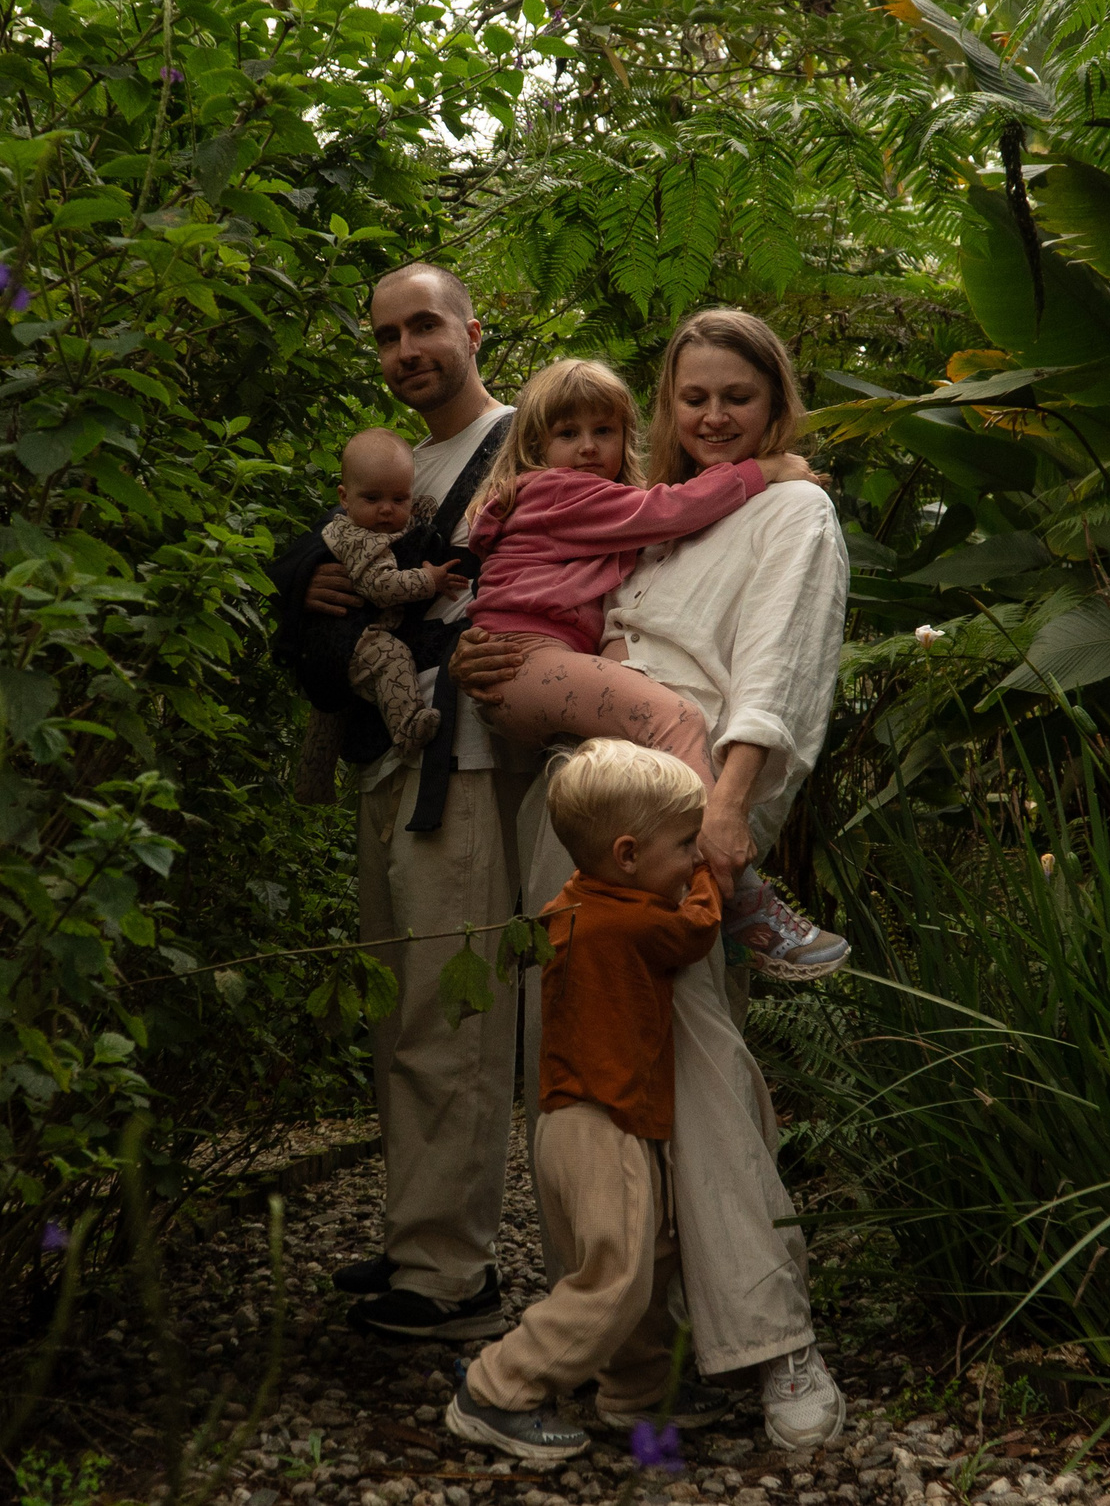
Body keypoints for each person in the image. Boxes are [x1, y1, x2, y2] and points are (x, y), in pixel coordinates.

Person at [450, 307, 851, 1449]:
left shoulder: (789, 504)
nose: (714, 416)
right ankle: (626, 1361)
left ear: (776, 405)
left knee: (703, 1068)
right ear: (665, 408)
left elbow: (777, 668)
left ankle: (774, 1343)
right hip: (576, 805)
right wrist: (486, 654)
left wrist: (726, 814)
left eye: (738, 396)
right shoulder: (646, 522)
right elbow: (558, 626)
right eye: (693, 397)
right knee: (582, 1087)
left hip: (687, 814)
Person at [304, 262, 530, 1341]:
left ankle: (450, 1276)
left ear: (473, 330)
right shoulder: (387, 471)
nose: (407, 351)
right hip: (389, 759)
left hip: (472, 758)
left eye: (425, 326)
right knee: (402, 1011)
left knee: (452, 1013)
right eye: (389, 336)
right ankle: (416, 1243)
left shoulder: (526, 440)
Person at [463, 357, 846, 981]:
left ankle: (707, 892)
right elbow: (665, 512)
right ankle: (730, 884)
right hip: (531, 666)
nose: (588, 448)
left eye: (604, 432)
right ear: (536, 447)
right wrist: (762, 471)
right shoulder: (561, 493)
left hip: (553, 692)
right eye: (567, 435)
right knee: (676, 718)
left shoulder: (600, 512)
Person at [444, 740, 735, 1462]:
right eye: (684, 844)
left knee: (649, 1255)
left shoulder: (575, 898)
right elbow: (697, 929)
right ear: (629, 854)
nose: (693, 855)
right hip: (604, 1122)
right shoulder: (632, 921)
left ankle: (634, 1389)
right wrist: (713, 877)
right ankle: (497, 1388)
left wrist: (683, 858)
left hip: (569, 1125)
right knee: (617, 1275)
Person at [319, 427, 471, 755]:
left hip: (351, 638)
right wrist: (429, 580)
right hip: (357, 639)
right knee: (394, 658)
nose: (387, 509)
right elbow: (380, 587)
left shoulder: (356, 527)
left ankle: (312, 780)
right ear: (344, 498)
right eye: (372, 499)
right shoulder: (361, 538)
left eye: (399, 499)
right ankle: (407, 729)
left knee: (327, 721)